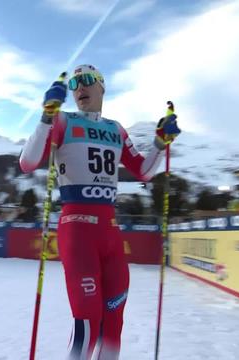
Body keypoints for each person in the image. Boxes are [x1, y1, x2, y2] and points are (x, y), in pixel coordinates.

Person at [19, 64, 180, 359]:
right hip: (78, 231)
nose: (80, 87)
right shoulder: (63, 121)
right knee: (89, 319)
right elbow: (27, 162)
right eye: (75, 83)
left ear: (102, 87)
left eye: (88, 80)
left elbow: (143, 171)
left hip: (110, 232)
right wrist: (45, 117)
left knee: (114, 320)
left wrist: (159, 143)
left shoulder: (116, 129)